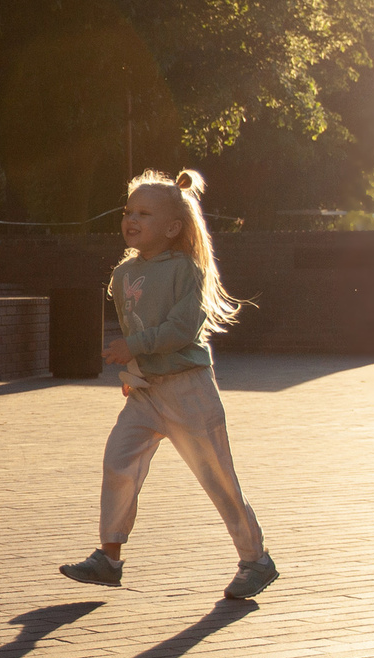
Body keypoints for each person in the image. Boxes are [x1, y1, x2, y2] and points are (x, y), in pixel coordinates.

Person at [60, 169, 277, 603]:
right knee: (118, 463)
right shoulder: (122, 275)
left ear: (173, 227)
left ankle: (256, 560)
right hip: (146, 393)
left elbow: (181, 329)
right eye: (127, 212)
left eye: (144, 213)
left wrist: (135, 346)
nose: (131, 220)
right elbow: (135, 326)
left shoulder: (187, 271)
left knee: (217, 478)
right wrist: (134, 369)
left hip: (188, 391)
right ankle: (109, 558)